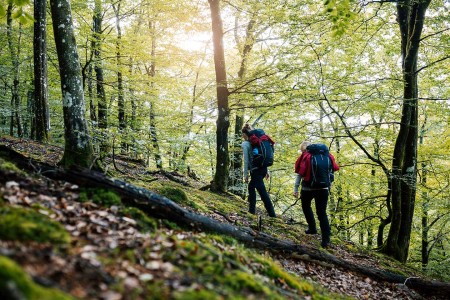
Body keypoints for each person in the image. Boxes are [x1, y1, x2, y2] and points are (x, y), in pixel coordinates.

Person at [293, 141, 339, 247]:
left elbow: (300, 174)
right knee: (322, 213)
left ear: (304, 149)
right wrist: (328, 186)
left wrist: (295, 189)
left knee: (306, 206)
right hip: (323, 189)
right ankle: (326, 239)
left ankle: (312, 228)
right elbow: (331, 172)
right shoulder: (327, 156)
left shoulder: (306, 156)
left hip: (307, 188)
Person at [242, 123, 276, 218]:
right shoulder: (258, 141)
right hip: (263, 169)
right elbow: (263, 155)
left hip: (256, 170)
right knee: (251, 187)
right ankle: (251, 211)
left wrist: (245, 174)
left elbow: (246, 160)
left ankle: (272, 215)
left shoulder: (246, 143)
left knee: (263, 193)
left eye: (242, 135)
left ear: (244, 134)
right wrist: (267, 171)